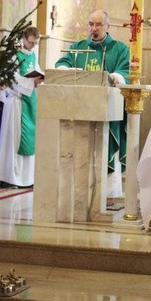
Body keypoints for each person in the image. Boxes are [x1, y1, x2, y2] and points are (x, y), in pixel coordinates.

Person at [55, 10, 129, 195]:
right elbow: (62, 63)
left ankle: (108, 193)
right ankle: (78, 191)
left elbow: (125, 70)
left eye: (98, 25)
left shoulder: (119, 49)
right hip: (79, 110)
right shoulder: (77, 47)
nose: (93, 29)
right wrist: (64, 69)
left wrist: (115, 76)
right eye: (91, 24)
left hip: (106, 111)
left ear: (107, 26)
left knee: (105, 150)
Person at [0, 26, 44, 189]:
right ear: (24, 38)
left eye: (35, 43)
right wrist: (31, 82)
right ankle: (10, 178)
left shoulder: (32, 54)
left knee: (29, 138)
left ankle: (26, 178)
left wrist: (39, 78)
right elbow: (11, 77)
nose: (32, 46)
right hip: (16, 102)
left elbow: (36, 70)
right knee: (14, 140)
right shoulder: (13, 54)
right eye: (31, 43)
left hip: (30, 100)